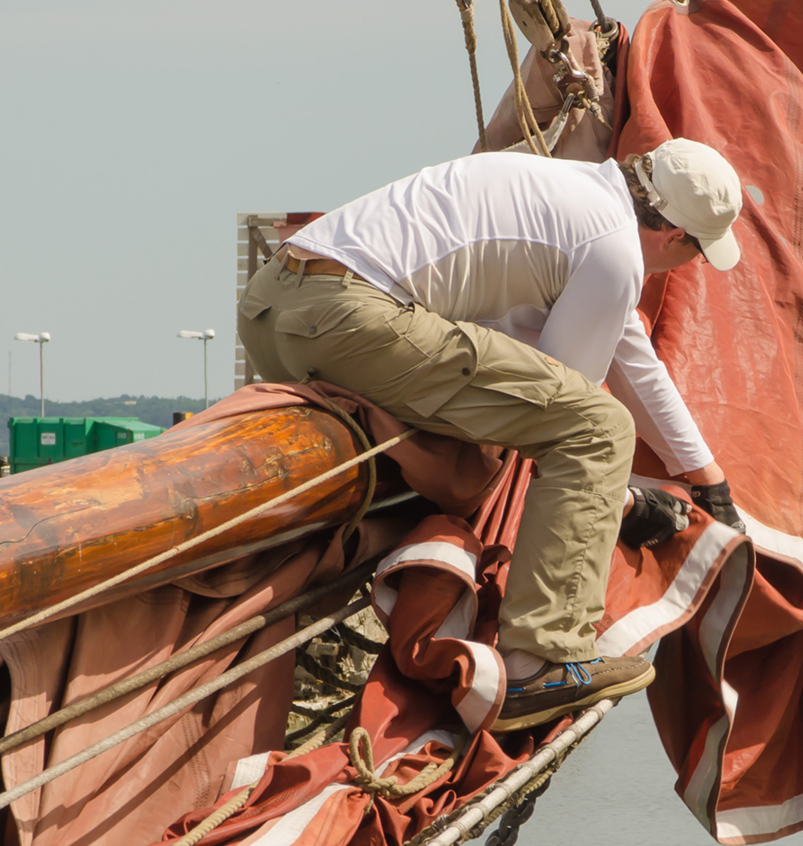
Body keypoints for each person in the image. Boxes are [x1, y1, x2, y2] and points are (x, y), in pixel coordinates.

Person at [237, 140, 746, 731]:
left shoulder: (569, 191)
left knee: (563, 417)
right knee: (601, 428)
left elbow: (626, 345)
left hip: (273, 305)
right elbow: (568, 414)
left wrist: (706, 476)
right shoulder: (612, 250)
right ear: (673, 237)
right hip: (349, 318)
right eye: (697, 254)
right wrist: (627, 500)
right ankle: (540, 660)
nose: (689, 265)